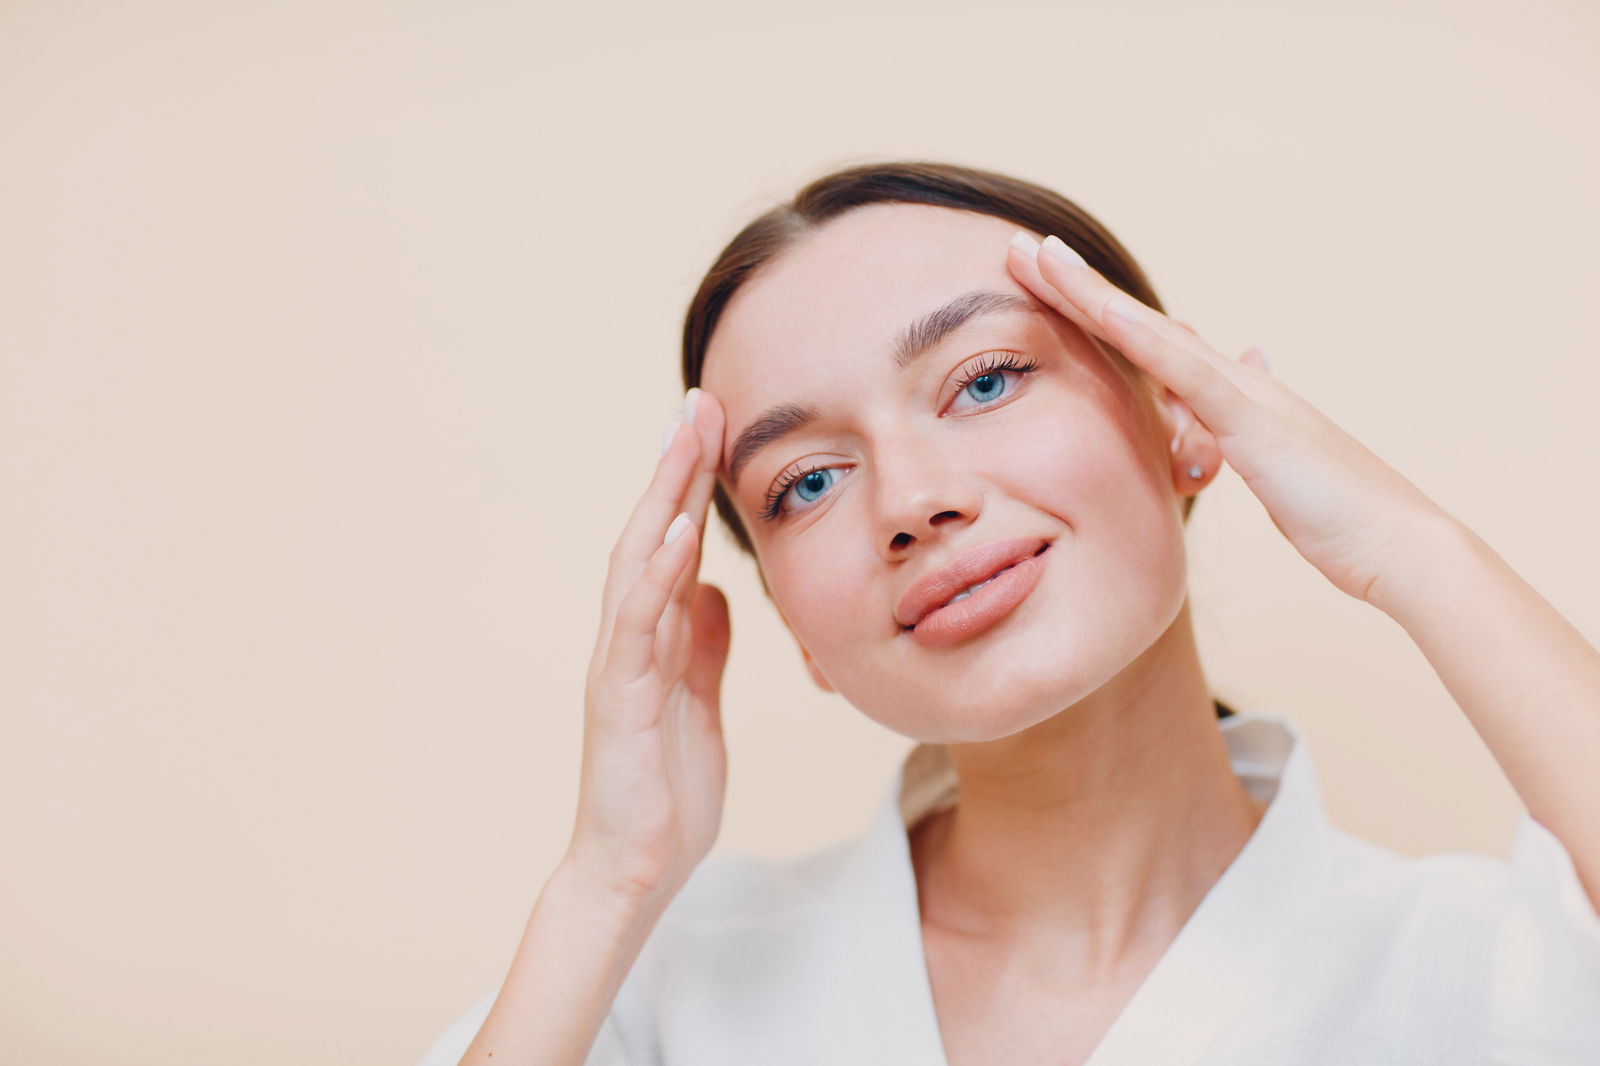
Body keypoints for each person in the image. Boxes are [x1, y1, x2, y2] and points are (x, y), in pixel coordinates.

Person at [418, 162, 1600, 1065]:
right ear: (794, 631)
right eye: (806, 483)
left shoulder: (1494, 965)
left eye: (984, 380)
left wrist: (1410, 549)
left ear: (1185, 414)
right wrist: (606, 880)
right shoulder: (648, 991)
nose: (914, 500)